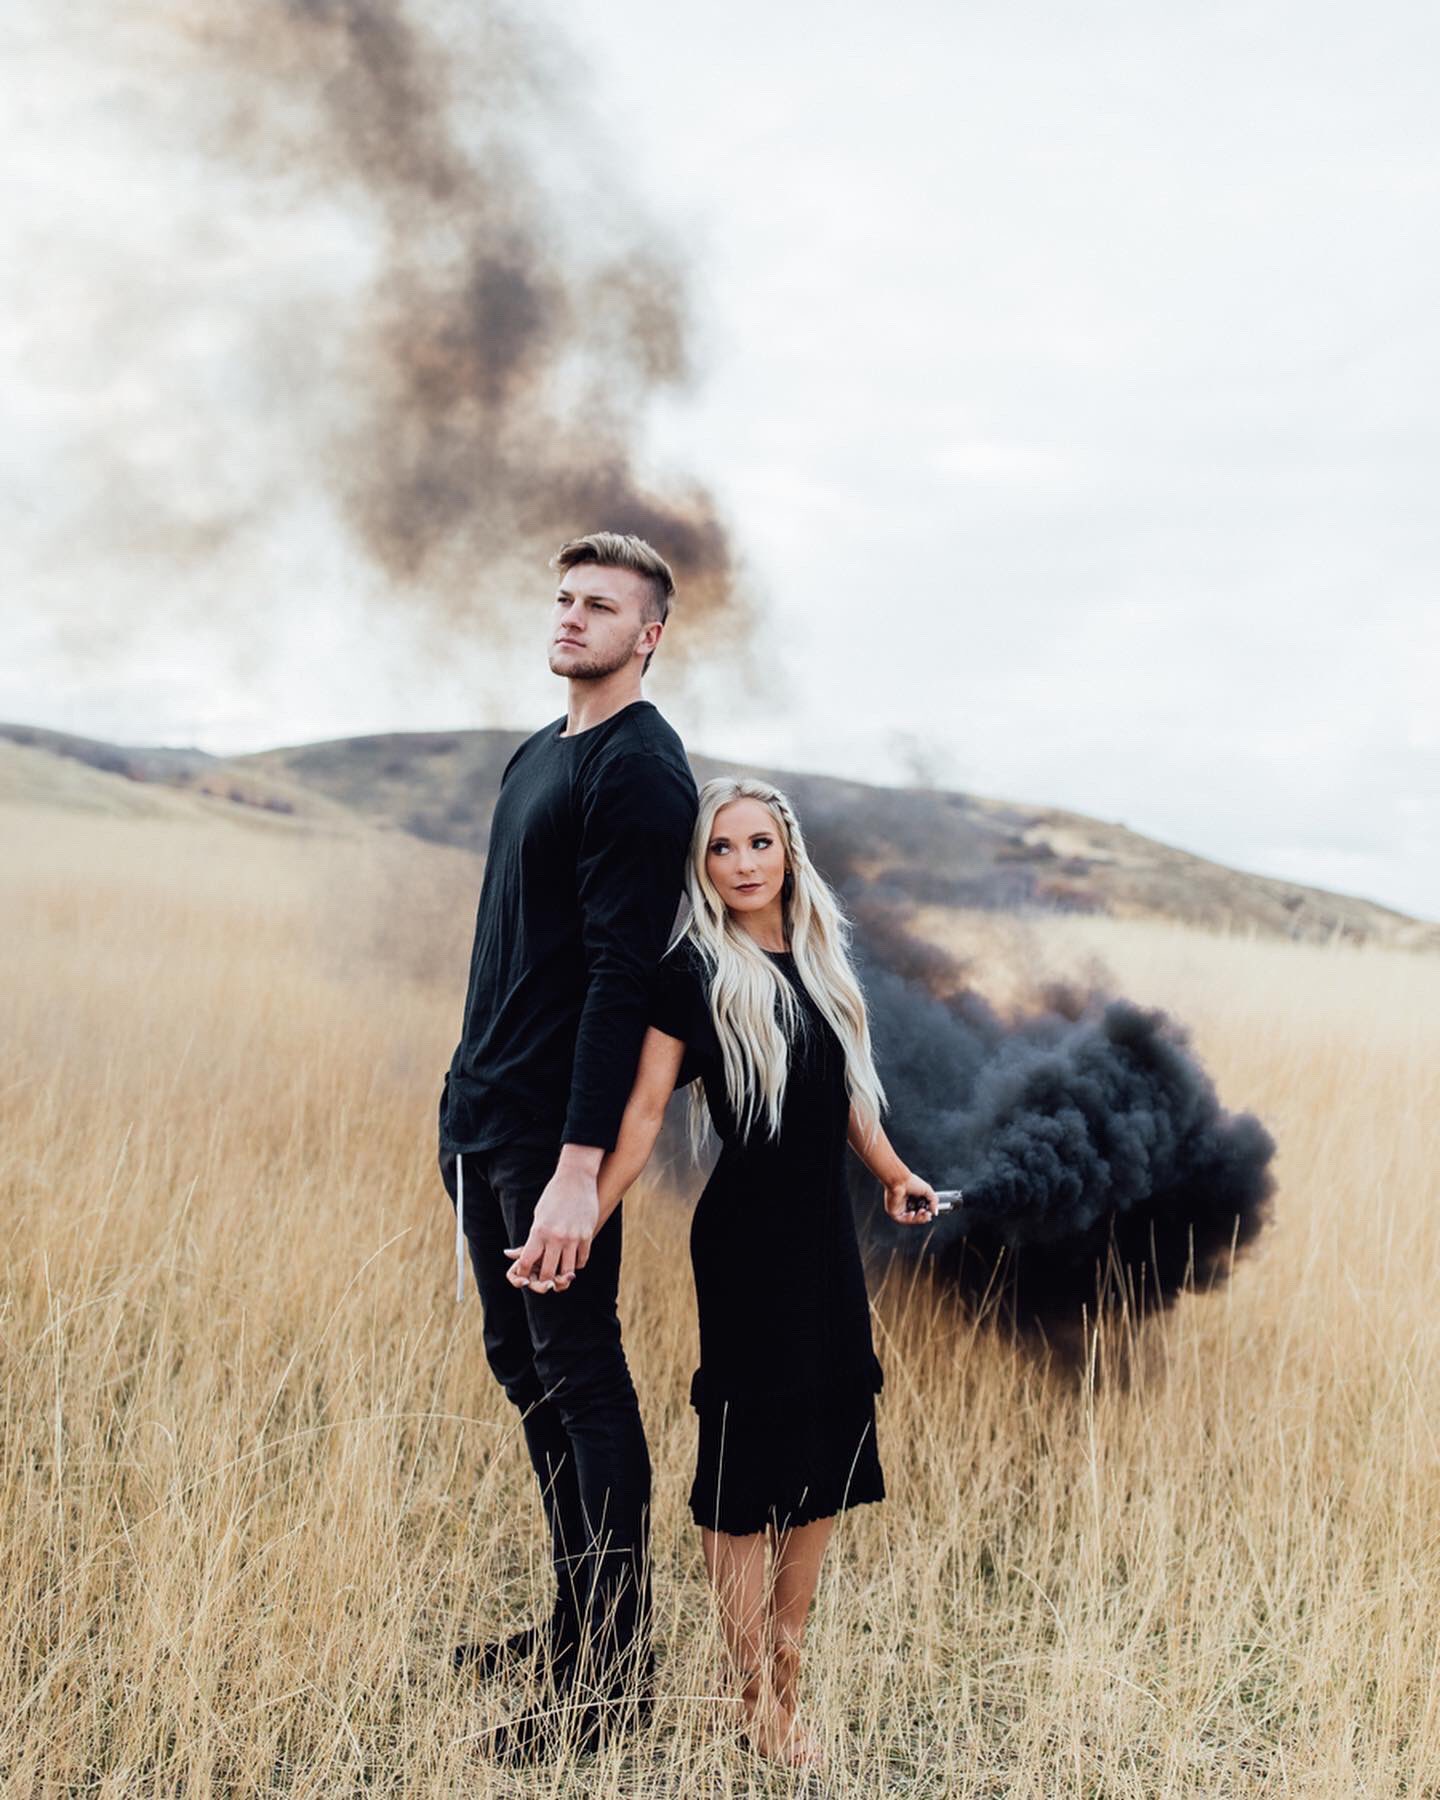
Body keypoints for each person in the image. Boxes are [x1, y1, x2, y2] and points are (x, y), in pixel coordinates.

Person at [508, 775, 939, 1768]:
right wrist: (576, 1224)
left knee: (826, 1457)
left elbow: (847, 1099)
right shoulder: (692, 972)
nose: (742, 864)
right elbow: (641, 1118)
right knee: (746, 1470)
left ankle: (781, 1676)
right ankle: (754, 1699)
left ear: (788, 851)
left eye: (758, 843)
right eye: (720, 848)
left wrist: (894, 1173)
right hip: (747, 1248)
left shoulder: (822, 961)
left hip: (826, 1241)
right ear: (700, 865)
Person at [437, 530, 698, 1764]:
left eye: (600, 604)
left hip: (553, 1137)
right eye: (564, 597)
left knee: (583, 1381)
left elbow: (618, 977)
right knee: (527, 1371)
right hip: (482, 1113)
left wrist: (579, 1169)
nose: (571, 615)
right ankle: (573, 1629)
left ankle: (609, 1688)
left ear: (650, 634)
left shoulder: (641, 770)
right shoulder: (540, 752)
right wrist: (462, 1099)